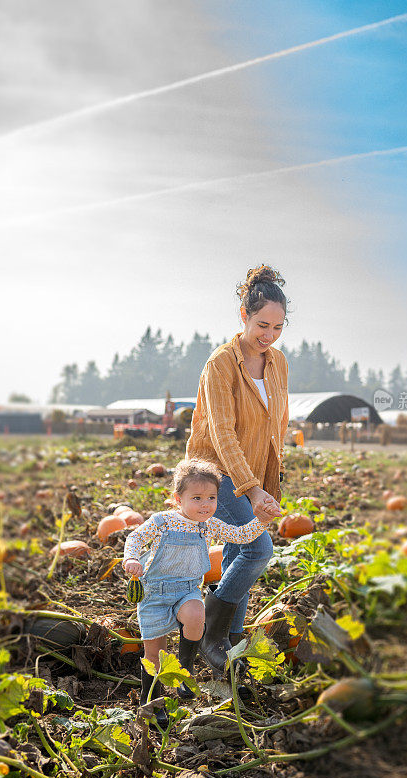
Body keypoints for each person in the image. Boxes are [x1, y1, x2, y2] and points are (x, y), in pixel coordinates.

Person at [186, 265, 289, 674]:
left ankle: (227, 644)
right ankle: (211, 631)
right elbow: (223, 432)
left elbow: (275, 428)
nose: (269, 334)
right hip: (214, 474)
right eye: (262, 324)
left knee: (235, 555)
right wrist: (249, 489)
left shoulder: (279, 364)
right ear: (243, 316)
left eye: (278, 327)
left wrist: (266, 486)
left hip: (251, 478)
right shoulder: (221, 364)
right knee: (255, 548)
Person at [123, 458, 273, 726]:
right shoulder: (162, 521)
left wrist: (260, 520)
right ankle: (151, 702)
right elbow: (134, 538)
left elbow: (241, 535)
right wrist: (131, 559)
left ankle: (185, 671)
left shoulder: (209, 523)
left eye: (212, 498)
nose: (206, 505)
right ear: (177, 498)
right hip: (154, 594)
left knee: (196, 615)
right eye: (197, 498)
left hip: (186, 590)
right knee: (154, 654)